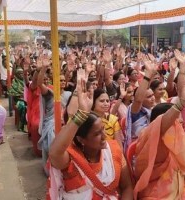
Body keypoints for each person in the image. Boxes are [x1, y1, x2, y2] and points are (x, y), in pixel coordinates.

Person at [48, 69, 133, 199]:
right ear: (81, 140)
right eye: (97, 134)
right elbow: (54, 153)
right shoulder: (72, 160)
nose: (104, 136)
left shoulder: (114, 150)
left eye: (103, 129)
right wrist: (81, 113)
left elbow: (127, 187)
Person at [134, 69, 185, 199]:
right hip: (155, 194)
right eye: (177, 120)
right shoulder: (148, 136)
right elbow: (161, 126)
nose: (181, 121)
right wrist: (180, 104)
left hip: (183, 193)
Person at [8, 68, 27, 132]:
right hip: (18, 101)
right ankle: (22, 126)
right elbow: (13, 94)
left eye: (22, 73)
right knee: (23, 106)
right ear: (17, 75)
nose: (21, 75)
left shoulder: (26, 81)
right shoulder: (14, 82)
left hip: (26, 99)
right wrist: (22, 98)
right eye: (20, 74)